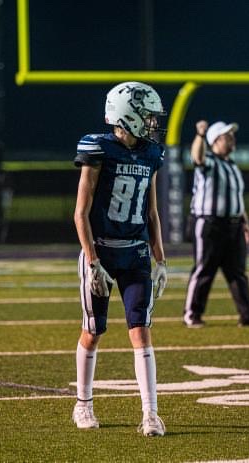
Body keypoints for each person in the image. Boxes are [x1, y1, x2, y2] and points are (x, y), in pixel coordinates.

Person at [72, 81, 168, 437]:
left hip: (135, 253)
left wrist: (161, 259)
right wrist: (92, 259)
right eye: (146, 114)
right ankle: (83, 404)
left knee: (141, 331)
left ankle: (151, 413)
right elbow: (80, 212)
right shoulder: (99, 149)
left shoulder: (151, 153)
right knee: (93, 330)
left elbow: (153, 213)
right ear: (127, 114)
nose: (152, 121)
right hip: (102, 249)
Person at [183, 120, 249, 328]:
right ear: (215, 140)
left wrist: (245, 222)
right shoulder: (209, 162)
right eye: (227, 136)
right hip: (209, 224)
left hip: (232, 225)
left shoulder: (232, 165)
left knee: (237, 273)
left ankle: (248, 315)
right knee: (204, 270)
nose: (232, 139)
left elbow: (237, 199)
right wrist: (200, 135)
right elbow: (197, 157)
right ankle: (192, 314)